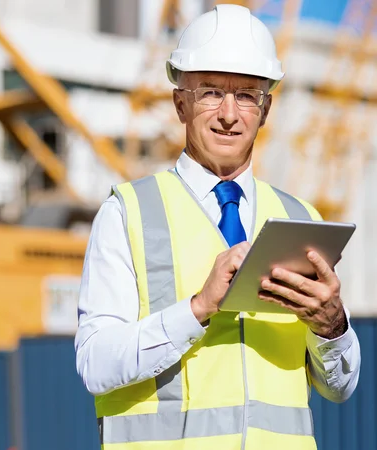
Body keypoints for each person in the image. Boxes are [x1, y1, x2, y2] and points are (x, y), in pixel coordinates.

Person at [74, 4, 361, 450]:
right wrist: (196, 308)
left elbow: (340, 387)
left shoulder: (302, 219)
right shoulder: (127, 214)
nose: (229, 114)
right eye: (210, 92)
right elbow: (95, 365)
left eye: (247, 95)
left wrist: (332, 327)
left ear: (264, 111)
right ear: (180, 103)